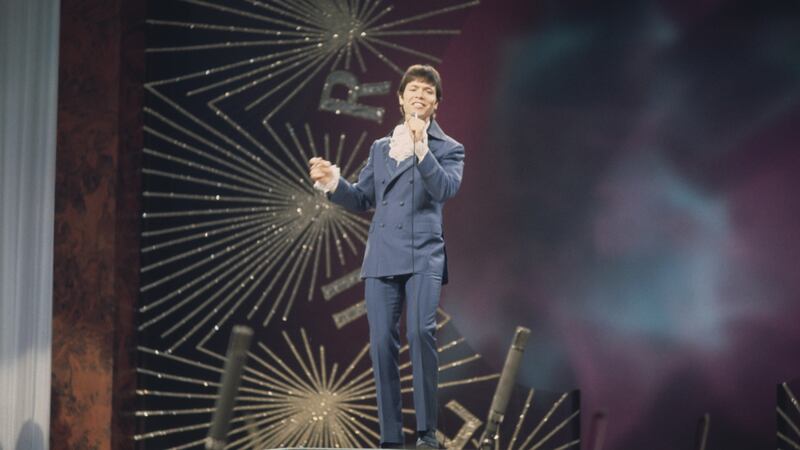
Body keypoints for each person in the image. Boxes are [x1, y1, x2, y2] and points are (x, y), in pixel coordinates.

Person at [309, 64, 464, 449]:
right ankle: (391, 439)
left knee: (420, 332)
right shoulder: (381, 148)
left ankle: (427, 435)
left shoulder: (450, 149)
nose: (419, 95)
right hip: (382, 257)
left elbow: (444, 189)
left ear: (436, 104)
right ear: (399, 98)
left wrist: (421, 147)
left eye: (428, 91)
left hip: (423, 255)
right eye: (413, 89)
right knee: (381, 344)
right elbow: (363, 197)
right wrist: (332, 182)